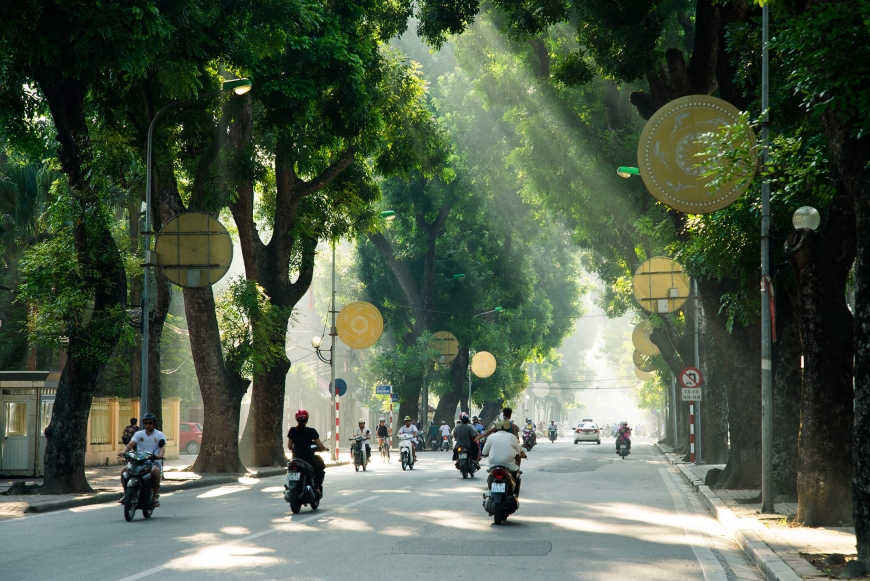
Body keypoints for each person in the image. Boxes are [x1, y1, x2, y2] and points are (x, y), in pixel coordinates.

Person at [118, 413, 165, 507]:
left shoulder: (160, 435)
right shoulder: (139, 434)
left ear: (154, 424)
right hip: (138, 461)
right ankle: (126, 494)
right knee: (124, 471)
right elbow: (130, 445)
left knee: (155, 472)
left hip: (153, 462)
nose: (148, 425)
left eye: (150, 423)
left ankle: (155, 497)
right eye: (146, 423)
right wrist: (124, 452)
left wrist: (159, 456)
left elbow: (162, 449)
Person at [287, 410, 328, 496]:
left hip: (295, 457)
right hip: (308, 458)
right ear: (307, 419)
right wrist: (324, 449)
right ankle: (316, 486)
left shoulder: (292, 430)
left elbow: (289, 446)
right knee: (320, 467)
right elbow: (320, 445)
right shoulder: (311, 431)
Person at [481, 419, 526, 496]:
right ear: (508, 427)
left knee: (490, 476)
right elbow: (520, 451)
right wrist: (523, 455)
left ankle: (489, 491)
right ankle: (515, 494)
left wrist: (484, 454)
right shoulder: (512, 437)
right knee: (517, 476)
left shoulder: (491, 437)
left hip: (493, 465)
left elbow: (484, 452)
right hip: (509, 466)